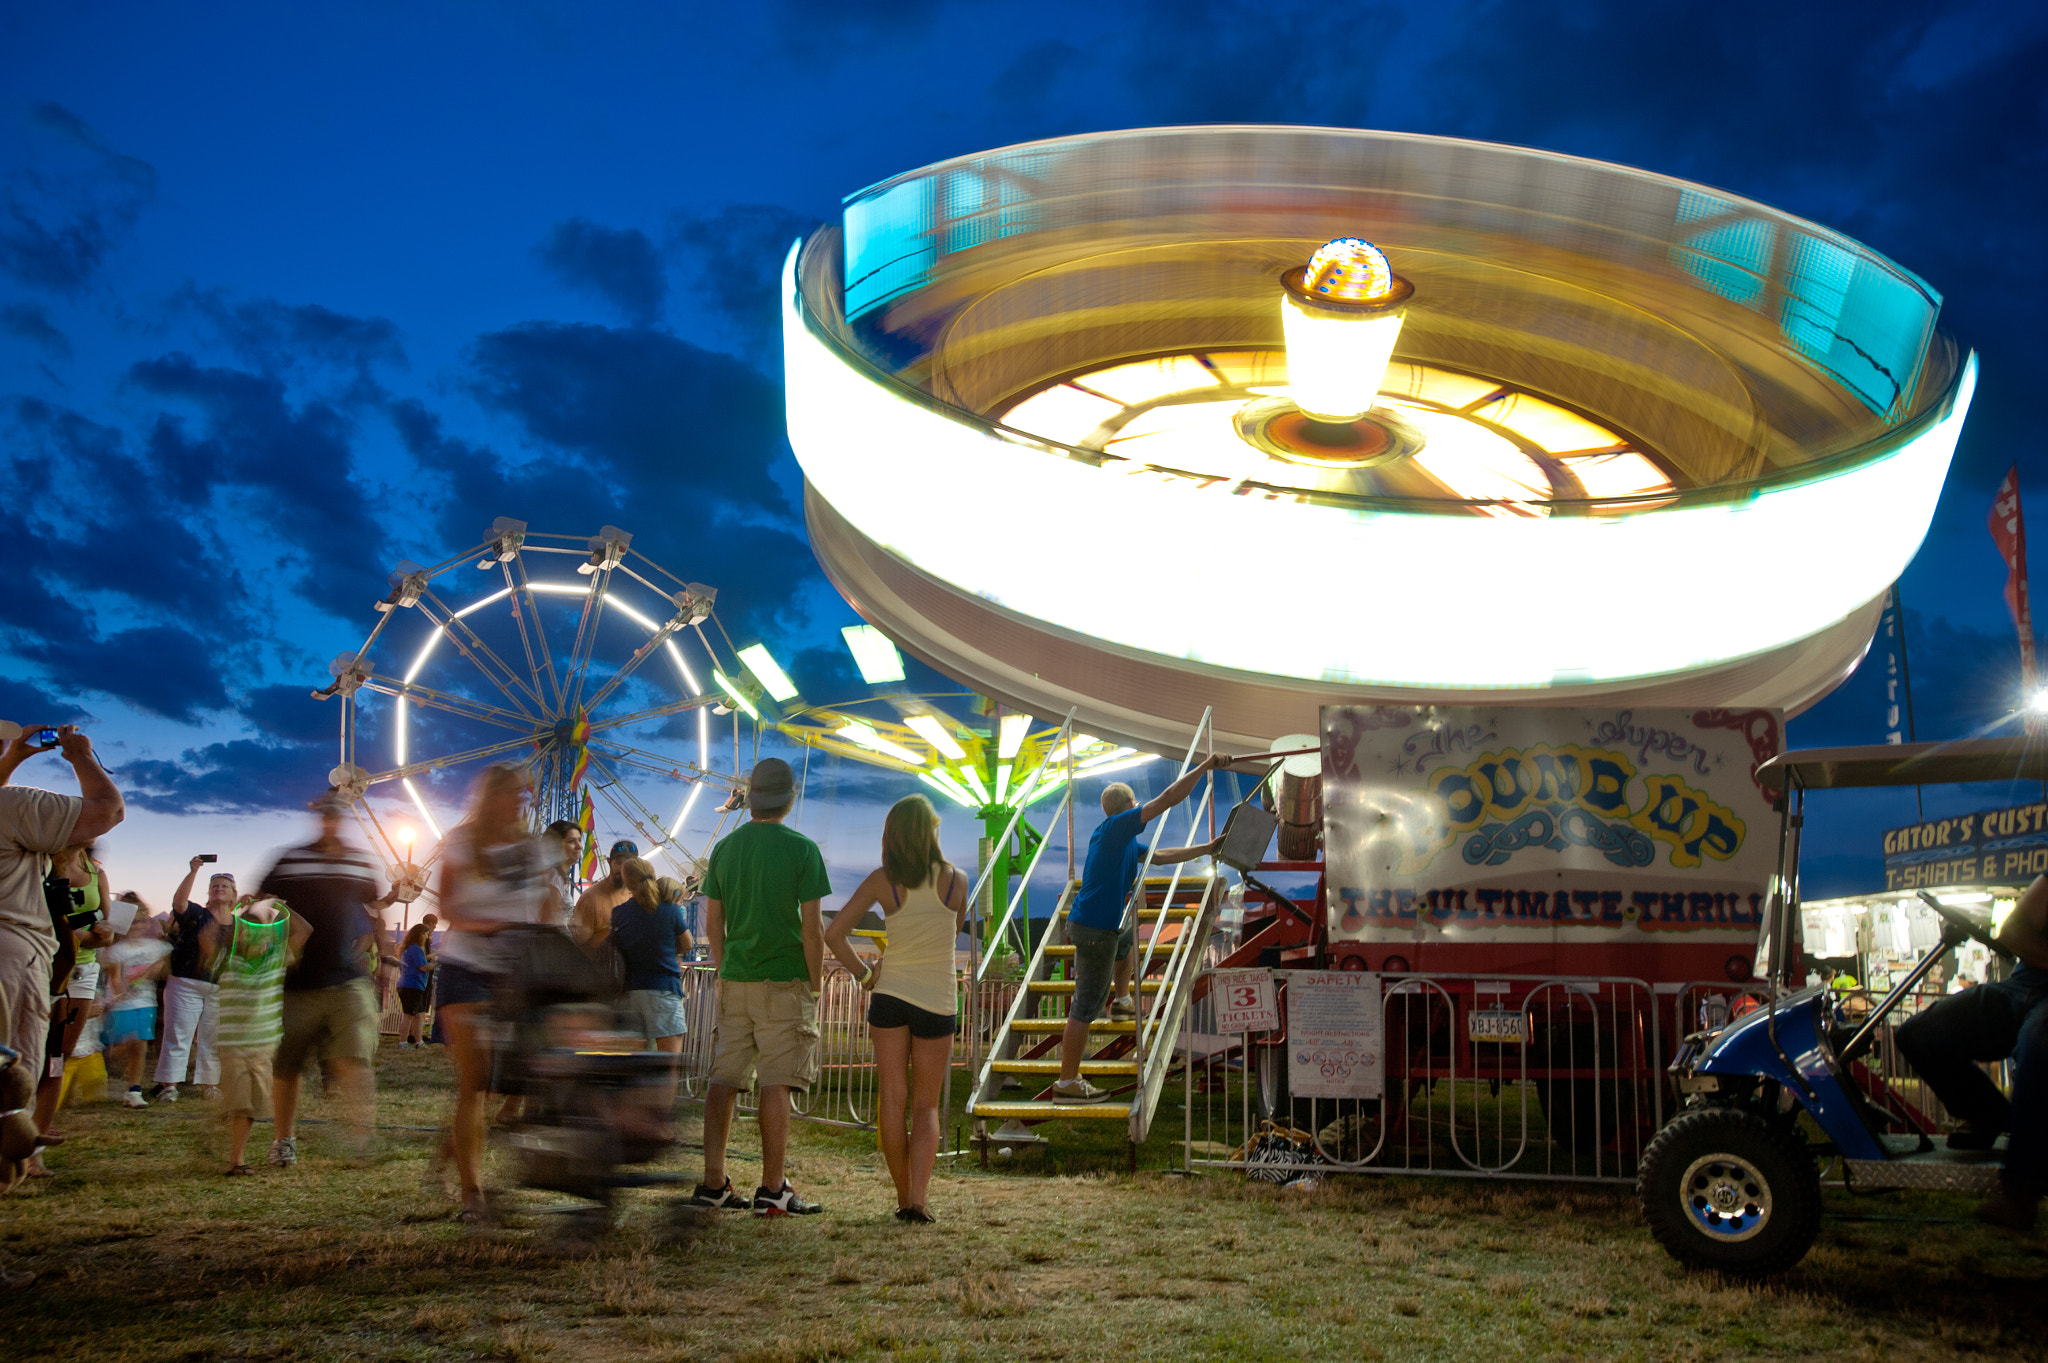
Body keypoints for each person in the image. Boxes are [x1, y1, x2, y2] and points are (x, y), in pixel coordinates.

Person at [688, 758, 829, 1217]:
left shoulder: (726, 850)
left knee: (723, 1079)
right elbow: (812, 929)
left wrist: (727, 969)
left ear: (750, 799)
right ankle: (772, 1187)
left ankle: (713, 1181)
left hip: (736, 979)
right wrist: (814, 982)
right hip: (784, 980)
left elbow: (714, 922)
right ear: (789, 798)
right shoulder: (803, 850)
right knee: (776, 1083)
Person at [1051, 757, 1230, 1104]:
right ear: (1128, 807)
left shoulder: (1122, 841)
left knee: (1127, 937)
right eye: (1136, 804)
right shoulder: (1117, 828)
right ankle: (1067, 1081)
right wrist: (1205, 765)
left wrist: (1205, 849)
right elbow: (1166, 799)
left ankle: (1121, 1000)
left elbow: (1162, 855)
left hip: (1105, 927)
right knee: (1085, 1006)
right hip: (1093, 928)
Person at [824, 794, 968, 1223]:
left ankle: (903, 1198)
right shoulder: (956, 880)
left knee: (892, 1099)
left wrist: (865, 976)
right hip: (937, 998)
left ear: (891, 835)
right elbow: (952, 934)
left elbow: (834, 933)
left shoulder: (882, 880)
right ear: (931, 832)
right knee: (925, 1105)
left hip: (889, 996)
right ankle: (919, 1201)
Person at [0, 722, 123, 1208]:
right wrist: (80, 756)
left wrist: (11, 760)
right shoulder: (11, 808)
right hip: (10, 959)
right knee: (9, 1100)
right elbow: (106, 811)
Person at [433, 762, 560, 1223]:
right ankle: (473, 1195)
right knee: (476, 1080)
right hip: (467, 966)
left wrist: (552, 935)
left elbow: (549, 899)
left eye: (523, 793)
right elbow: (446, 905)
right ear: (491, 797)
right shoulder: (463, 842)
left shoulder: (535, 849)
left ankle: (453, 1156)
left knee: (515, 1077)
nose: (519, 799)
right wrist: (487, 925)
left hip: (517, 972)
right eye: (510, 792)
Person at [253, 791, 399, 1166]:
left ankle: (361, 1138)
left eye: (337, 815)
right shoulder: (290, 860)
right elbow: (258, 901)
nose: (331, 820)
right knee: (288, 1065)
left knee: (355, 1058)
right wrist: (267, 938)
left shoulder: (359, 863)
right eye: (327, 814)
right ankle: (283, 1139)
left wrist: (383, 953)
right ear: (319, 817)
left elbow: (374, 909)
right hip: (297, 980)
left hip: (348, 978)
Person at [1896, 873, 2048, 1231]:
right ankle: (1987, 1115)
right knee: (1919, 1033)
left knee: (2038, 1046)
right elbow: (2013, 932)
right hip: (2022, 984)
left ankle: (2020, 1193)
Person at [27, 842, 114, 1169]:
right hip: (43, 964)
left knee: (58, 1057)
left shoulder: (96, 873)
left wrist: (102, 932)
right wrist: (76, 934)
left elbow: (107, 930)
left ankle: (34, 1151)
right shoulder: (41, 864)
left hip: (83, 969)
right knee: (29, 1052)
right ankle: (15, 1135)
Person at [201, 896, 303, 1176]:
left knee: (253, 1105)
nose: (255, 938)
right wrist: (235, 911)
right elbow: (206, 937)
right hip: (234, 1046)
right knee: (244, 1105)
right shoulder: (227, 960)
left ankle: (230, 1128)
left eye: (262, 933)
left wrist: (280, 906)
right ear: (238, 935)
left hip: (264, 1047)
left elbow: (304, 930)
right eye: (246, 931)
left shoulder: (276, 961)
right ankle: (237, 1161)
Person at [606, 857, 693, 1108]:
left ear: (627, 883)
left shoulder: (620, 913)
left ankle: (634, 1117)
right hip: (664, 990)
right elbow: (686, 944)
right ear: (652, 875)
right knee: (667, 1065)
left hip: (631, 991)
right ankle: (661, 1122)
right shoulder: (670, 911)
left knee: (636, 1062)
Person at [153, 859, 235, 1102]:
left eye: (224, 886)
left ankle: (210, 1085)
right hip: (185, 982)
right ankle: (170, 1086)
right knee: (179, 1034)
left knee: (212, 1038)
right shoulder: (197, 913)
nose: (218, 888)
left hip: (219, 986)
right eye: (214, 886)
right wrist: (193, 871)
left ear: (233, 895)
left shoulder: (239, 924)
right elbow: (178, 903)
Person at [102, 898, 165, 1106]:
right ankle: (103, 1061)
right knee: (124, 1046)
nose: (137, 926)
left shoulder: (155, 947)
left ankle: (134, 1090)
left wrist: (158, 967)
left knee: (140, 1045)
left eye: (141, 921)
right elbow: (115, 977)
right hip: (124, 1005)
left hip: (146, 1004)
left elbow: (165, 964)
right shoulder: (118, 950)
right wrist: (122, 990)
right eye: (132, 922)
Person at [571, 840, 639, 949]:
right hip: (599, 964)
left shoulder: (637, 895)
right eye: (618, 862)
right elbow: (579, 944)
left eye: (628, 864)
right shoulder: (590, 898)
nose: (623, 869)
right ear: (609, 862)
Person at [395, 923, 433, 1048]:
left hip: (411, 985)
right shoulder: (415, 949)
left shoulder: (408, 949)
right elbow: (423, 967)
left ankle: (418, 1041)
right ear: (421, 934)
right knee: (409, 1015)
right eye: (426, 934)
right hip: (412, 985)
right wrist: (437, 963)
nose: (428, 937)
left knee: (418, 1014)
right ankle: (402, 1042)